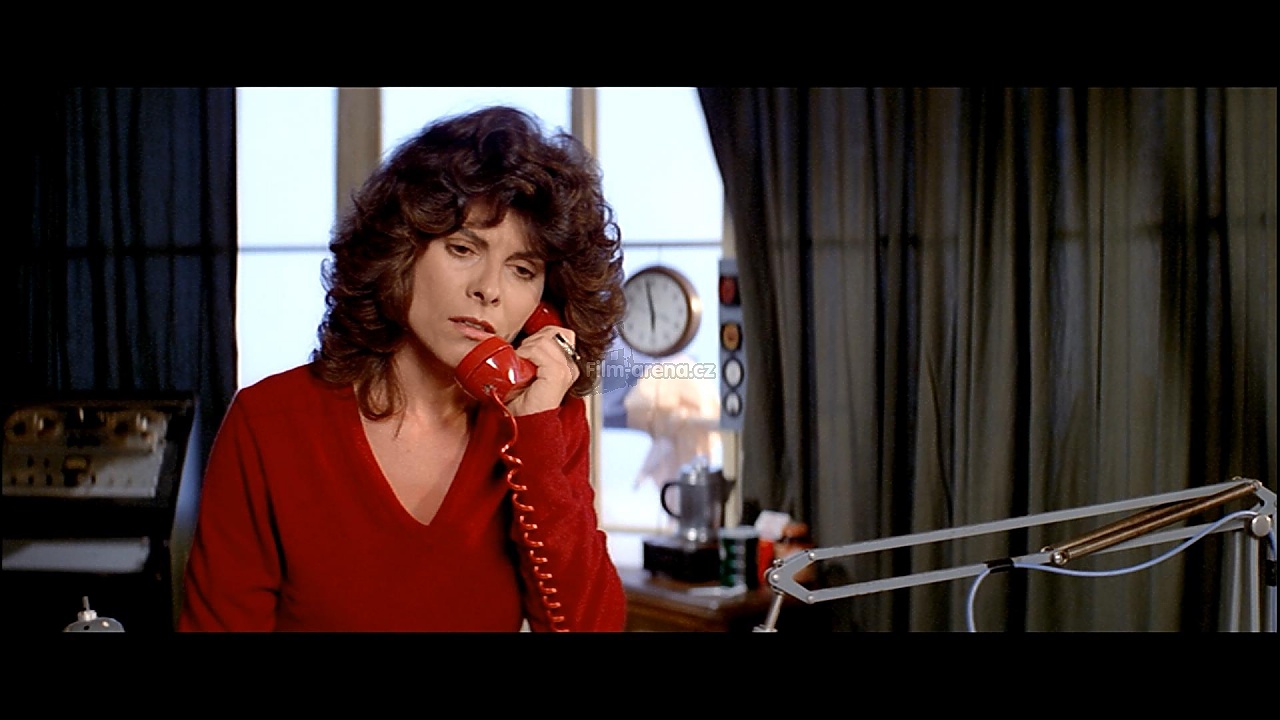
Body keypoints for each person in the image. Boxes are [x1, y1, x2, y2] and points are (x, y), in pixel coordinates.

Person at [179, 106, 628, 631]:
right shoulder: (269, 422)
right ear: (401, 251)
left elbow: (591, 625)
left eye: (522, 269)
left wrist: (536, 439)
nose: (489, 289)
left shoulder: (542, 425)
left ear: (544, 304)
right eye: (463, 248)